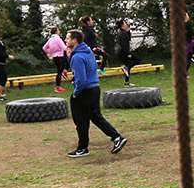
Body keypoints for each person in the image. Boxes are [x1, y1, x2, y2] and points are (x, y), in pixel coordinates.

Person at [65, 30, 127, 158]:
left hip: (84, 90)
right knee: (95, 116)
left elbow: (81, 79)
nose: (65, 41)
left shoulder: (77, 57)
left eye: (67, 38)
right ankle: (117, 137)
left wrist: (76, 93)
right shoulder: (87, 52)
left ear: (74, 40)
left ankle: (82, 148)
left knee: (81, 120)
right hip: (95, 88)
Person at [42, 26, 70, 92]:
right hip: (59, 56)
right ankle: (58, 87)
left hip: (55, 57)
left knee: (67, 62)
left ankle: (64, 72)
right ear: (56, 32)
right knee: (60, 71)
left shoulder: (50, 39)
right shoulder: (58, 39)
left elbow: (44, 48)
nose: (59, 31)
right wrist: (70, 49)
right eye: (58, 30)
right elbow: (64, 47)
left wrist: (51, 53)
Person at [115, 19, 136, 85]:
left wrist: (128, 31)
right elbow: (124, 44)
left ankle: (127, 81)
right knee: (137, 60)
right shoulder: (122, 33)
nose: (126, 24)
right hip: (123, 52)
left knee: (128, 64)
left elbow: (128, 39)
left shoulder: (122, 32)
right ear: (122, 25)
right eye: (125, 23)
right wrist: (128, 53)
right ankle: (126, 68)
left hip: (122, 51)